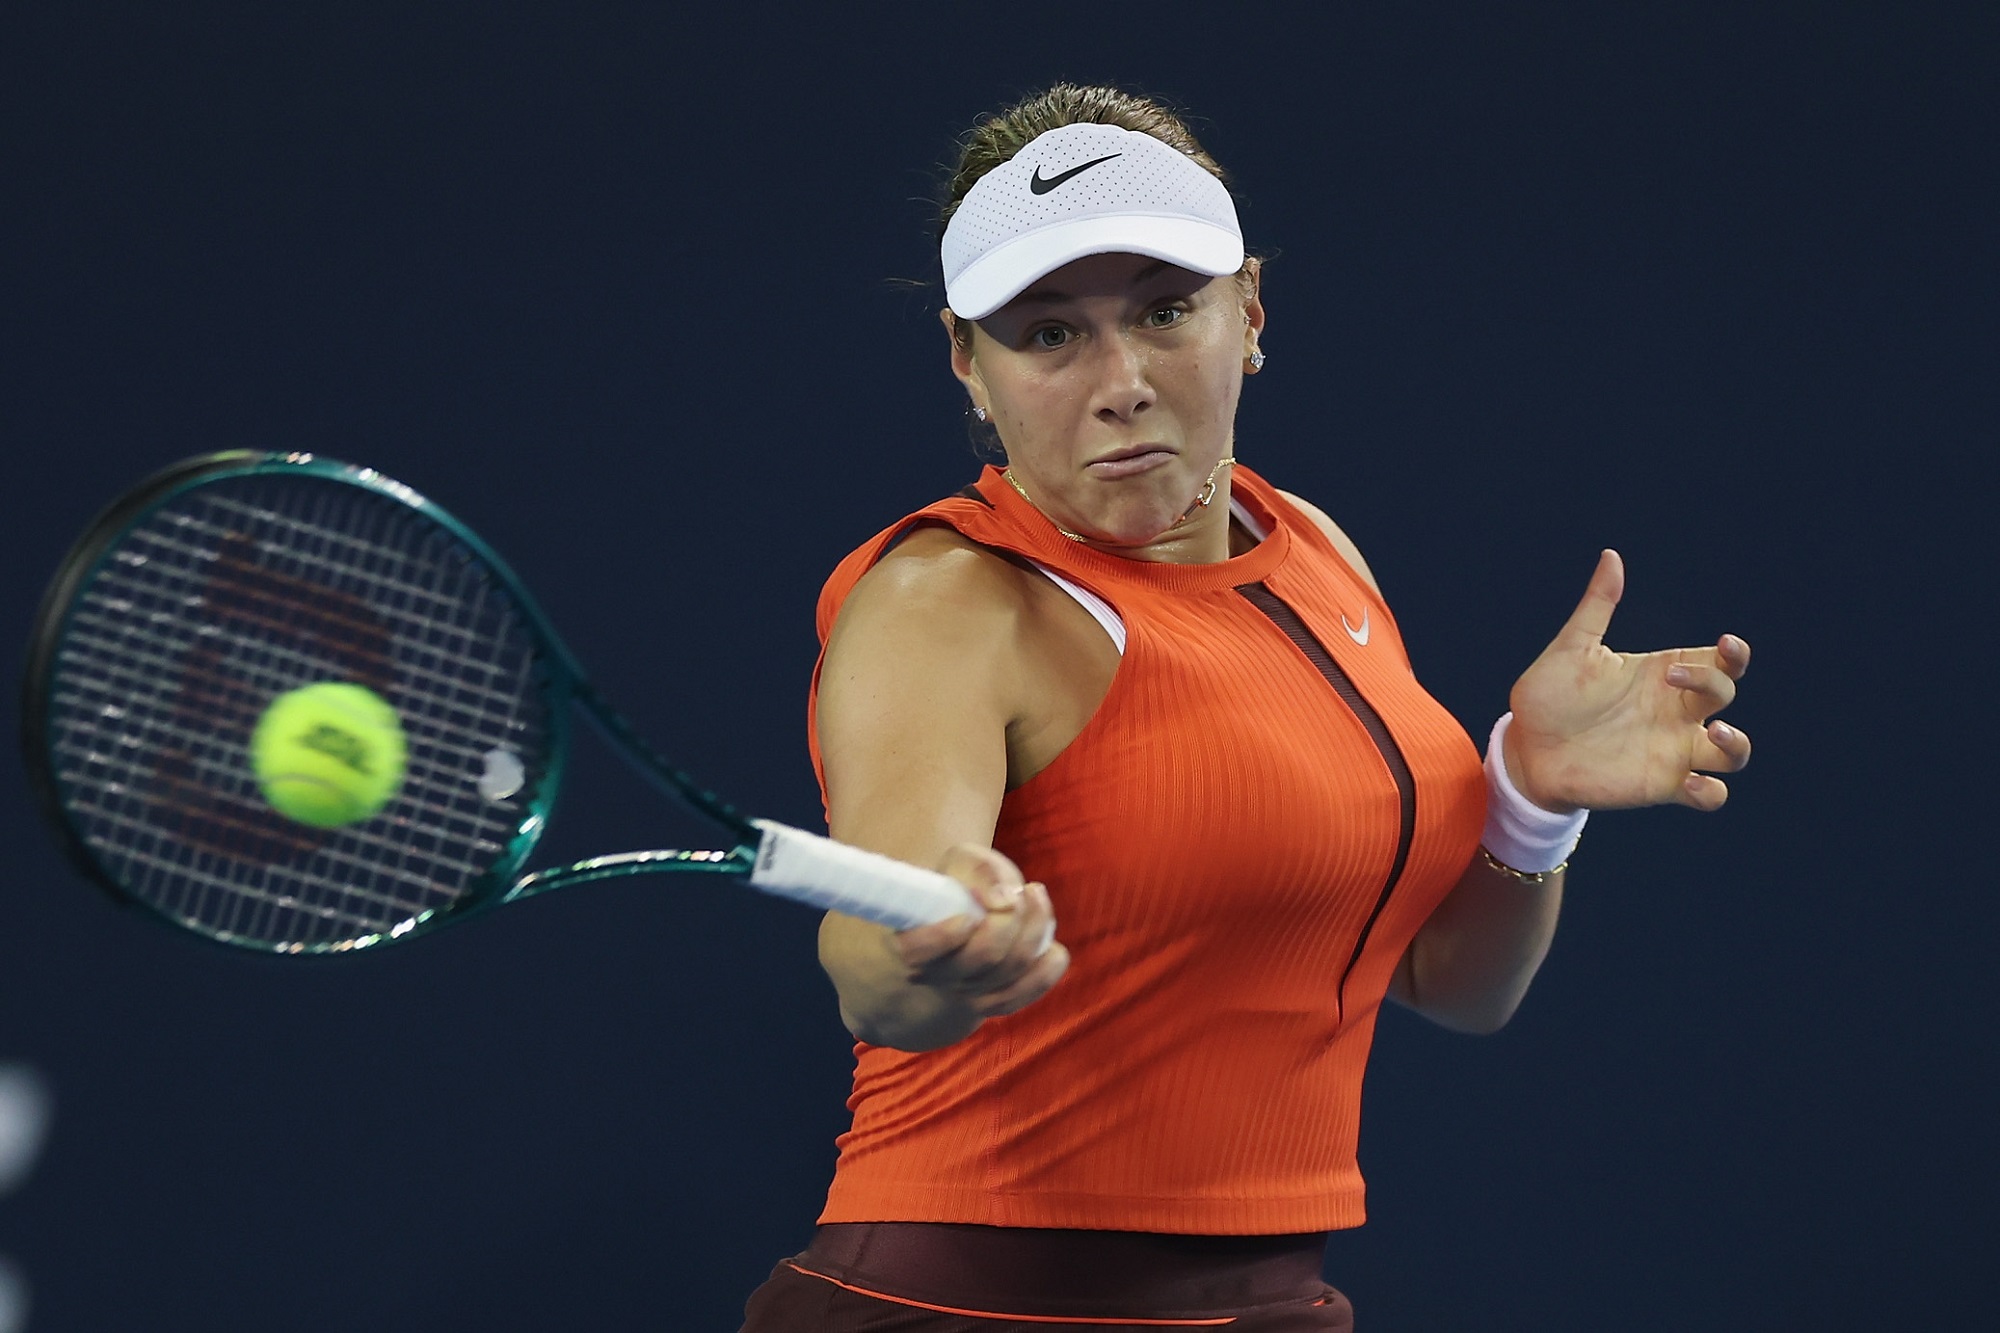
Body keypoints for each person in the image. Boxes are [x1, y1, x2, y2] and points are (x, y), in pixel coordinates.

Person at [739, 84, 1751, 1332]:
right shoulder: (947, 599)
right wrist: (934, 950)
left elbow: (1453, 983)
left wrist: (1530, 798)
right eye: (1048, 334)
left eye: (1164, 311)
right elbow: (869, 961)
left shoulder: (1311, 548)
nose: (1119, 382)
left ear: (1250, 312)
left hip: (1269, 1302)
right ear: (969, 364)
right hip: (960, 1306)